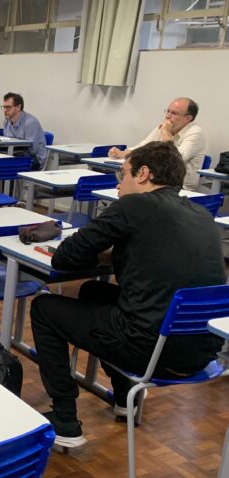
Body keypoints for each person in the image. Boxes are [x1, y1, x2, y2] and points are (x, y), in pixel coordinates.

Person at [29, 141, 226, 449]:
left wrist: (105, 252)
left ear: (144, 174)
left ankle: (65, 419)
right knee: (94, 290)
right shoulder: (202, 215)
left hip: (150, 351)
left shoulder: (132, 207)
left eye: (123, 175)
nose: (119, 185)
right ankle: (125, 398)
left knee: (43, 307)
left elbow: (65, 258)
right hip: (201, 353)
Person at [109, 97, 205, 191]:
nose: (168, 116)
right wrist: (123, 153)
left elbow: (176, 159)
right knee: (125, 186)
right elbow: (143, 147)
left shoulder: (195, 133)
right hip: (157, 182)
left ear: (188, 118)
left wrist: (166, 135)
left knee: (129, 191)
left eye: (174, 113)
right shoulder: (165, 126)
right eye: (168, 111)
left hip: (180, 188)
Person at [1, 92, 48, 169]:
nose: (5, 110)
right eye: (4, 107)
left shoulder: (30, 122)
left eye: (8, 107)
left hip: (34, 159)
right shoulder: (7, 122)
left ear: (18, 107)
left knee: (5, 165)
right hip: (15, 155)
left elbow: (32, 150)